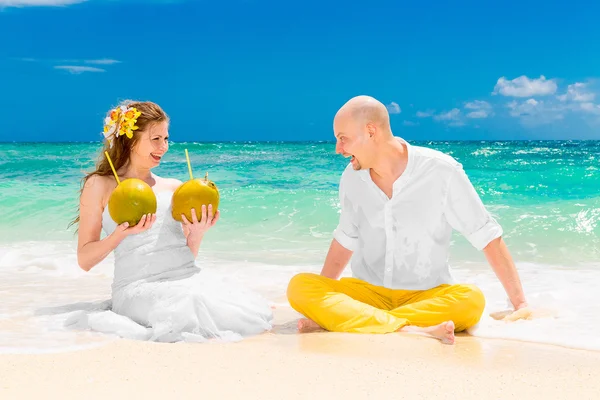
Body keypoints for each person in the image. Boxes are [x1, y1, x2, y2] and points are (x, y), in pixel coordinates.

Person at [286, 95, 531, 345]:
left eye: (342, 138)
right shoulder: (351, 178)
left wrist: (520, 304)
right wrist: (322, 300)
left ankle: (359, 321)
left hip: (427, 296)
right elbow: (345, 238)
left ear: (371, 131)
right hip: (368, 293)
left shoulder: (441, 170)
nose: (338, 149)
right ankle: (409, 329)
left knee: (472, 300)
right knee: (300, 286)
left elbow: (486, 235)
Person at [71, 100, 273, 342]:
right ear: (131, 139)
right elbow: (84, 260)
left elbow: (182, 257)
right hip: (137, 288)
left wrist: (197, 233)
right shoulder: (101, 185)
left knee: (228, 305)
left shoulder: (175, 187)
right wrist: (120, 234)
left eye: (166, 139)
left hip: (187, 279)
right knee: (190, 304)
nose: (164, 147)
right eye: (155, 139)